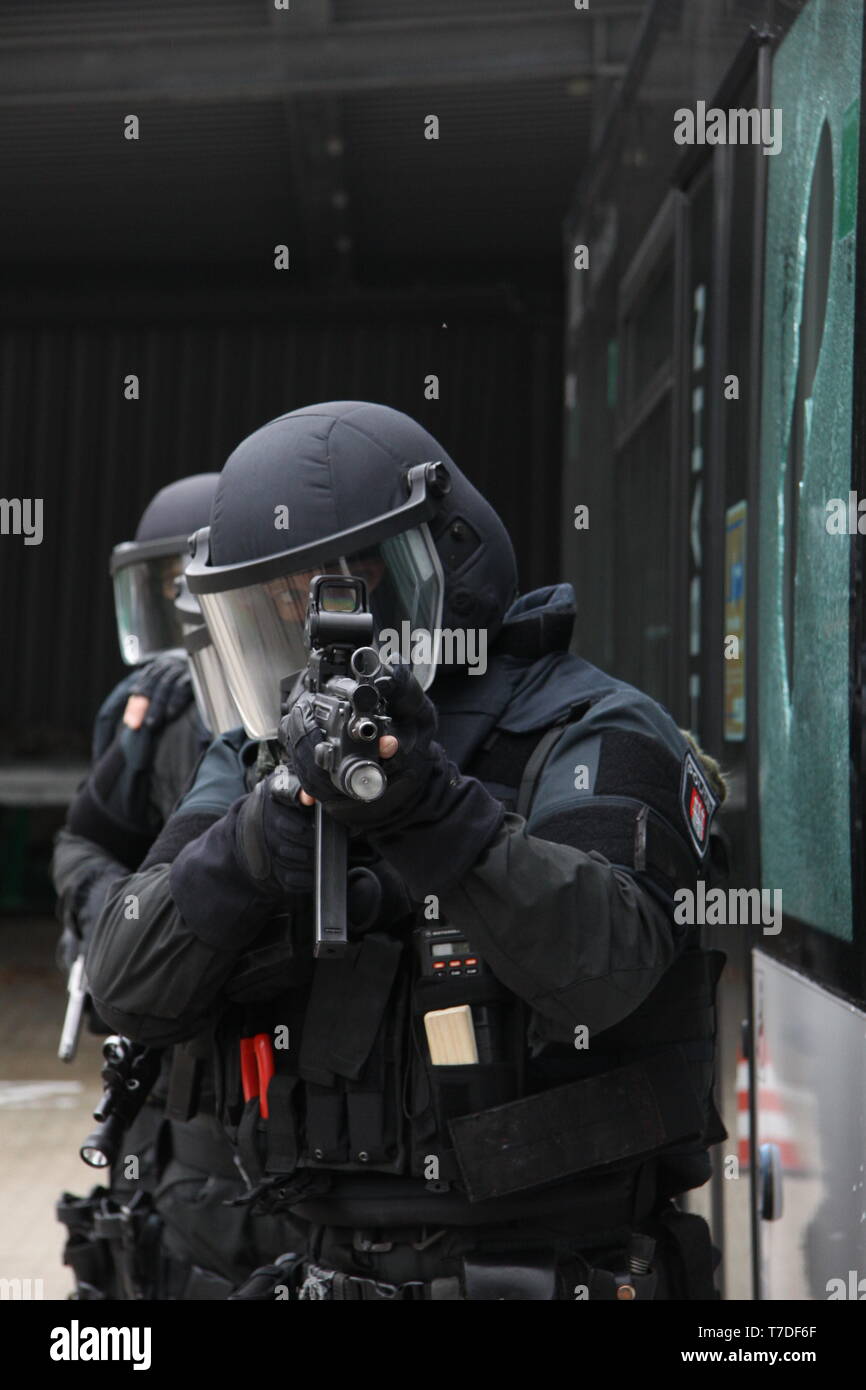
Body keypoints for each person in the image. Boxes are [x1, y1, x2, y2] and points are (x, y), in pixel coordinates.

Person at [87, 401, 727, 1300]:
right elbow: (126, 981)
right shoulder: (254, 760)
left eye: (330, 597)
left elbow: (608, 966)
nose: (308, 640)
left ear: (437, 566)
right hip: (319, 1270)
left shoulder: (594, 728)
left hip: (553, 1271)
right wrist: (256, 846)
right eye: (272, 608)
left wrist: (429, 810)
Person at [54, 474, 296, 1300]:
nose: (181, 605)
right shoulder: (149, 710)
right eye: (164, 589)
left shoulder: (319, 709)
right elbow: (85, 839)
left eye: (189, 584)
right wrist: (114, 922)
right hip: (173, 1074)